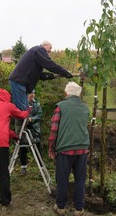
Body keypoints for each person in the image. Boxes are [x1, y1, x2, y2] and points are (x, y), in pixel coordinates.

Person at [8, 41, 73, 133]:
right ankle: (20, 135)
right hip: (19, 82)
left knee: (24, 109)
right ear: (44, 45)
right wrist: (64, 72)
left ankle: (23, 132)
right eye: (50, 48)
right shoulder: (38, 50)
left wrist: (53, 75)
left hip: (21, 83)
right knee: (22, 110)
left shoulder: (36, 56)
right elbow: (50, 64)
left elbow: (40, 75)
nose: (50, 51)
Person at [48, 82, 89, 216]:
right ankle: (79, 209)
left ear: (66, 94)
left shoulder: (61, 106)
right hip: (82, 149)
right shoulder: (85, 108)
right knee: (80, 179)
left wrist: (51, 148)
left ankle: (60, 207)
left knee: (62, 178)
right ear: (79, 94)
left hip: (65, 149)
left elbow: (54, 130)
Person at [19, 90, 43, 175]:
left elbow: (39, 115)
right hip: (24, 129)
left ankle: (41, 169)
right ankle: (23, 168)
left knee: (37, 150)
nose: (32, 95)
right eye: (30, 93)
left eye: (33, 93)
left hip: (35, 129)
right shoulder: (22, 103)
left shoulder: (37, 104)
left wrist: (31, 119)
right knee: (23, 149)